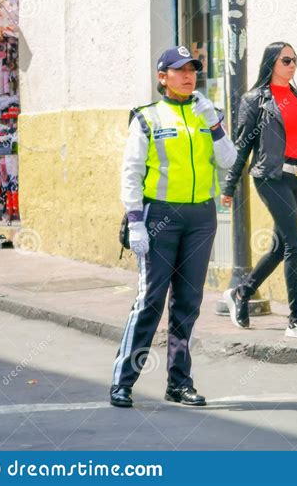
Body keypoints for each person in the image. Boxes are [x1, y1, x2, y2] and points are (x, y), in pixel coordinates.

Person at [110, 45, 237, 408]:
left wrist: (214, 124)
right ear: (162, 78)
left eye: (193, 70)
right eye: (179, 70)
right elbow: (131, 172)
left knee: (187, 304)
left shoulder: (207, 114)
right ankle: (123, 381)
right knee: (150, 300)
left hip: (201, 217)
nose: (188, 76)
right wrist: (135, 221)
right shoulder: (147, 117)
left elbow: (229, 162)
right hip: (160, 217)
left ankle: (179, 383)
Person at [221, 42, 297, 339]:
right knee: (295, 244)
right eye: (286, 60)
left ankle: (242, 292)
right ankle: (296, 317)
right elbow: (242, 146)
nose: (292, 66)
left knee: (280, 247)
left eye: (295, 60)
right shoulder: (255, 99)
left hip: (296, 177)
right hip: (269, 177)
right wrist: (229, 186)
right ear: (271, 64)